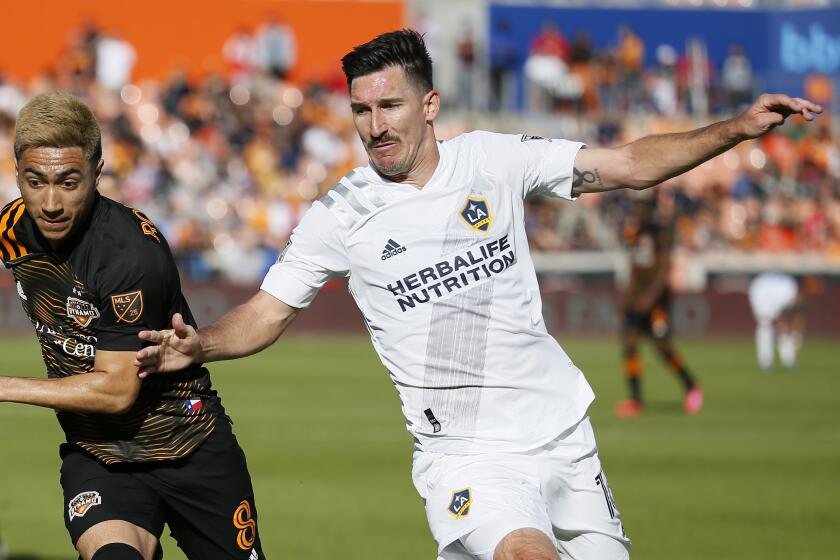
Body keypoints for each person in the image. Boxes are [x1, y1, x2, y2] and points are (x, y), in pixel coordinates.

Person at [135, 29, 821, 560]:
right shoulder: (339, 215)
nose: (375, 126)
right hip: (467, 456)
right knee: (526, 553)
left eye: (390, 106)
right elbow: (266, 312)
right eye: (361, 110)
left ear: (429, 105)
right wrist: (205, 344)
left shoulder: (493, 160)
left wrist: (734, 129)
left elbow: (628, 165)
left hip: (563, 434)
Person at [0, 92, 264, 560]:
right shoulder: (11, 228)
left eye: (68, 181)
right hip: (100, 454)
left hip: (189, 447)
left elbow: (116, 390)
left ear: (98, 173)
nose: (51, 202)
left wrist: (5, 386)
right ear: (17, 173)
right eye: (35, 181)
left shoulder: (129, 255)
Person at [614, 195, 702, 418]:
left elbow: (664, 271)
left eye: (641, 208)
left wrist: (650, 298)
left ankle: (691, 385)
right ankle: (635, 400)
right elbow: (634, 268)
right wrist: (628, 295)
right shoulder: (635, 234)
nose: (637, 213)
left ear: (649, 210)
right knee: (630, 343)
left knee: (662, 347)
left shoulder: (659, 233)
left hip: (657, 302)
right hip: (638, 299)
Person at [748, 272, 804, 370]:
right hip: (762, 295)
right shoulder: (759, 290)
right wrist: (782, 326)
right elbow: (769, 317)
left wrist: (796, 332)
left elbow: (800, 310)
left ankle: (789, 361)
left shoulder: (789, 287)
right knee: (765, 327)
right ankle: (766, 363)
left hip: (773, 295)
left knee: (783, 330)